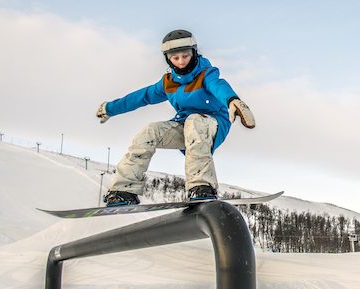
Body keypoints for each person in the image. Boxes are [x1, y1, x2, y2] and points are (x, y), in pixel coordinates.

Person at [97, 29, 256, 206]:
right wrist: (110, 108)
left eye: (185, 56)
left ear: (194, 53)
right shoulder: (168, 82)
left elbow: (219, 85)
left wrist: (232, 100)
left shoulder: (206, 74)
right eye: (175, 58)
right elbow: (141, 97)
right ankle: (123, 190)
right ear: (168, 58)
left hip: (212, 124)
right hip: (185, 127)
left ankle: (202, 186)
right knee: (149, 132)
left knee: (194, 121)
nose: (181, 62)